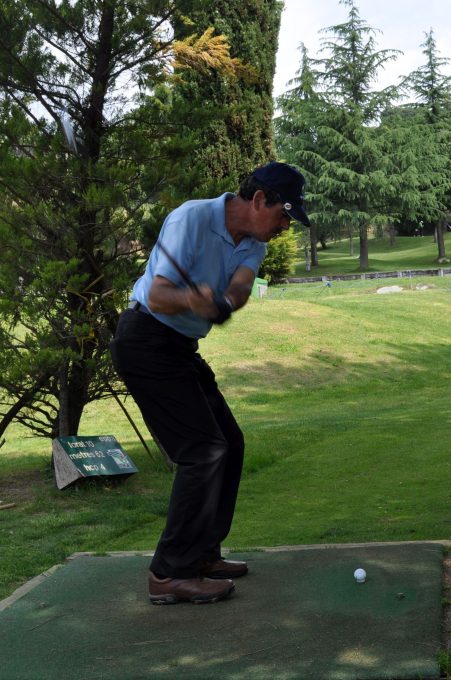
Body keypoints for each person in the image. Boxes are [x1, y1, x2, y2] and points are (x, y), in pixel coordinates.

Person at [110, 161, 310, 605]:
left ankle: (202, 554)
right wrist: (193, 300)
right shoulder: (191, 218)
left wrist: (222, 303)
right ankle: (169, 573)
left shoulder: (254, 241)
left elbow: (239, 288)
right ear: (260, 200)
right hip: (144, 341)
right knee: (202, 450)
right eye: (284, 215)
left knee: (229, 443)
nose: (285, 226)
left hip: (179, 348)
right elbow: (159, 294)